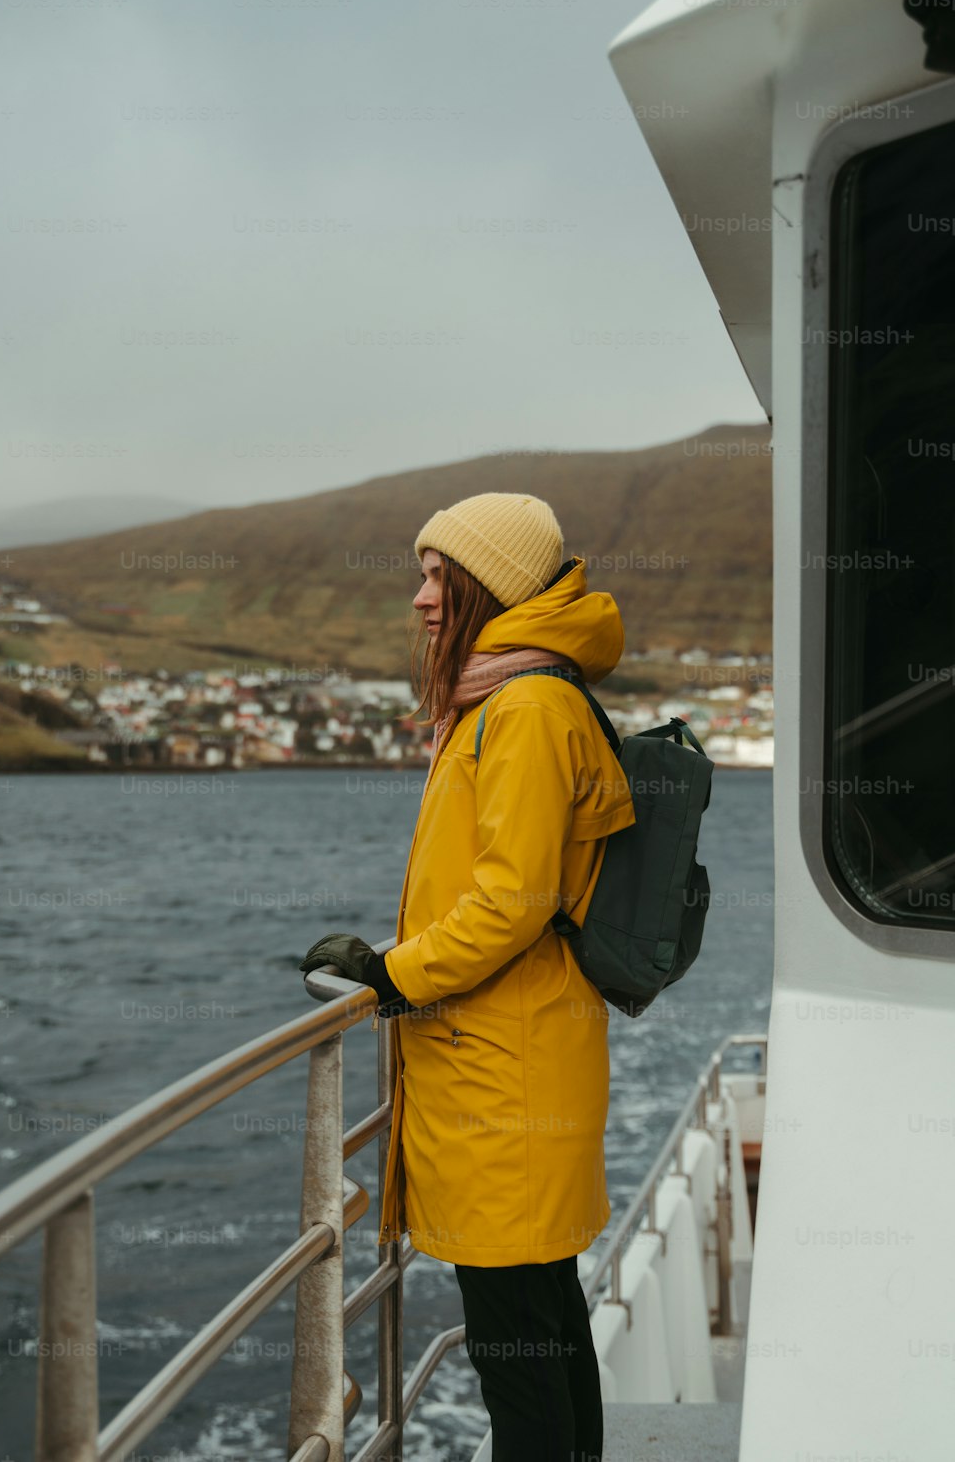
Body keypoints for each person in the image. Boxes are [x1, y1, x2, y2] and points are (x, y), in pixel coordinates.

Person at [300, 492, 636, 1462]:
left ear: (487, 586)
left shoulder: (525, 709)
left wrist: (388, 973)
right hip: (515, 1061)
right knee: (542, 1320)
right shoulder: (516, 697)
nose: (419, 600)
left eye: (438, 578)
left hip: (506, 1081)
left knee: (515, 1351)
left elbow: (511, 902)